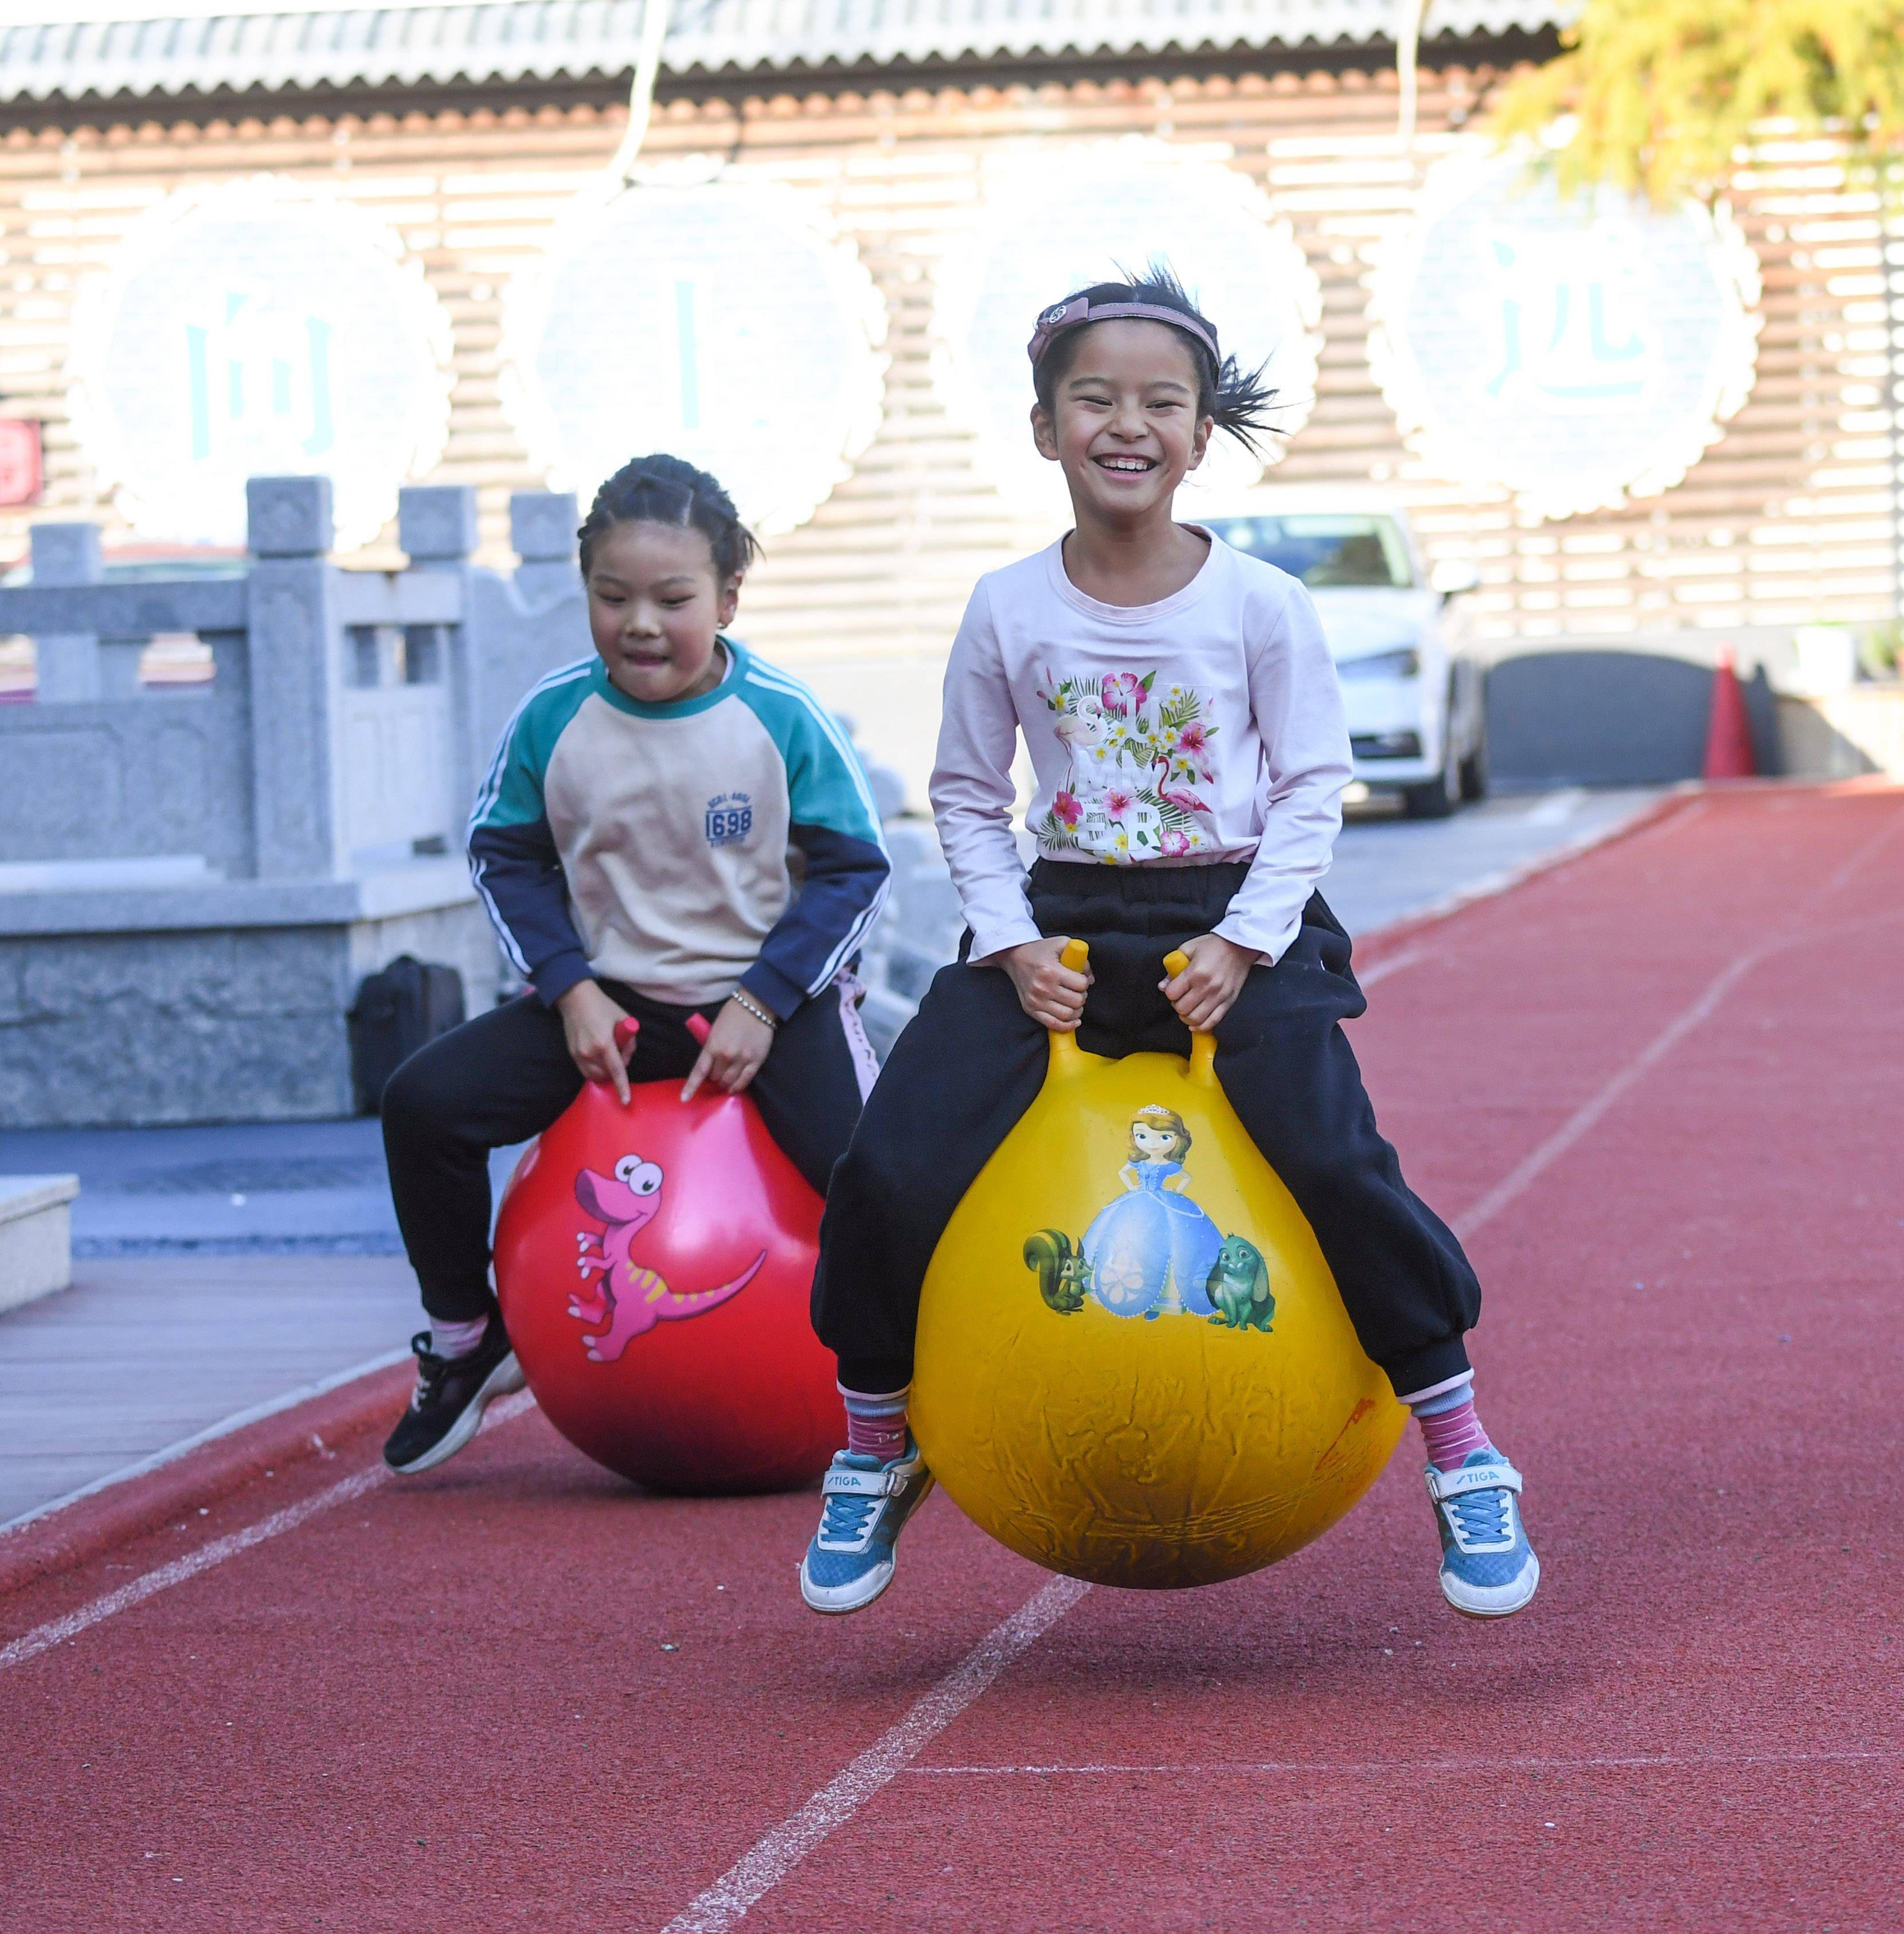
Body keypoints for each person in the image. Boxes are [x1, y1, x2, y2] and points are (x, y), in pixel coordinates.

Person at [796, 268, 1538, 1619]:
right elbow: (967, 793)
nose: (1124, 423)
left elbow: (1313, 783)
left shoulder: (1257, 603)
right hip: (1060, 921)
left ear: (1199, 435)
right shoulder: (1007, 606)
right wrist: (1012, 942)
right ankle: (870, 1443)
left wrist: (1248, 942)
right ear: (1043, 428)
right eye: (1094, 398)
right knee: (890, 1159)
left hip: (1234, 914)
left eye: (1159, 401)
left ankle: (1460, 1447)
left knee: (1326, 1153)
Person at [377, 455, 890, 1474]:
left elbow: (852, 866)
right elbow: (502, 853)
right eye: (613, 598)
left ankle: (905, 1384)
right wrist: (567, 985)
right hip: (607, 1006)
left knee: (878, 1178)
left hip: (762, 1008)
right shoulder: (553, 717)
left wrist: (766, 997)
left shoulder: (781, 716)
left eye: (672, 598)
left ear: (728, 598)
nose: (641, 623)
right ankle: (467, 1339)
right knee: (420, 1104)